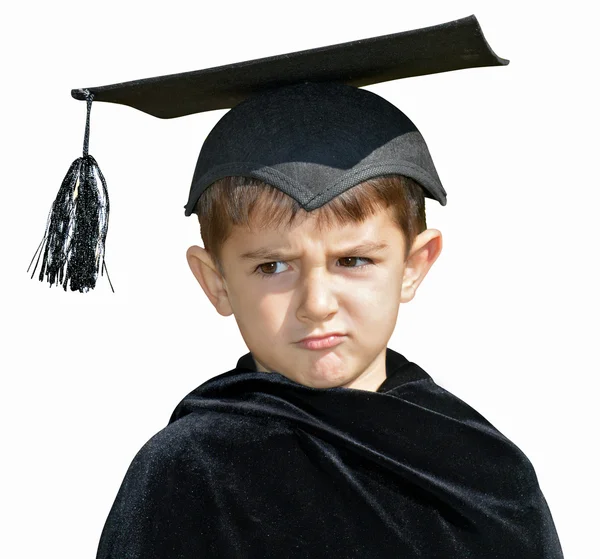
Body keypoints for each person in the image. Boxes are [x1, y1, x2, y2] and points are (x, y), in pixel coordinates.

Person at [30, 15, 564, 558]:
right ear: (215, 282)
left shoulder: (484, 473)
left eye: (353, 260)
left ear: (414, 264)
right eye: (272, 267)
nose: (316, 305)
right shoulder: (191, 473)